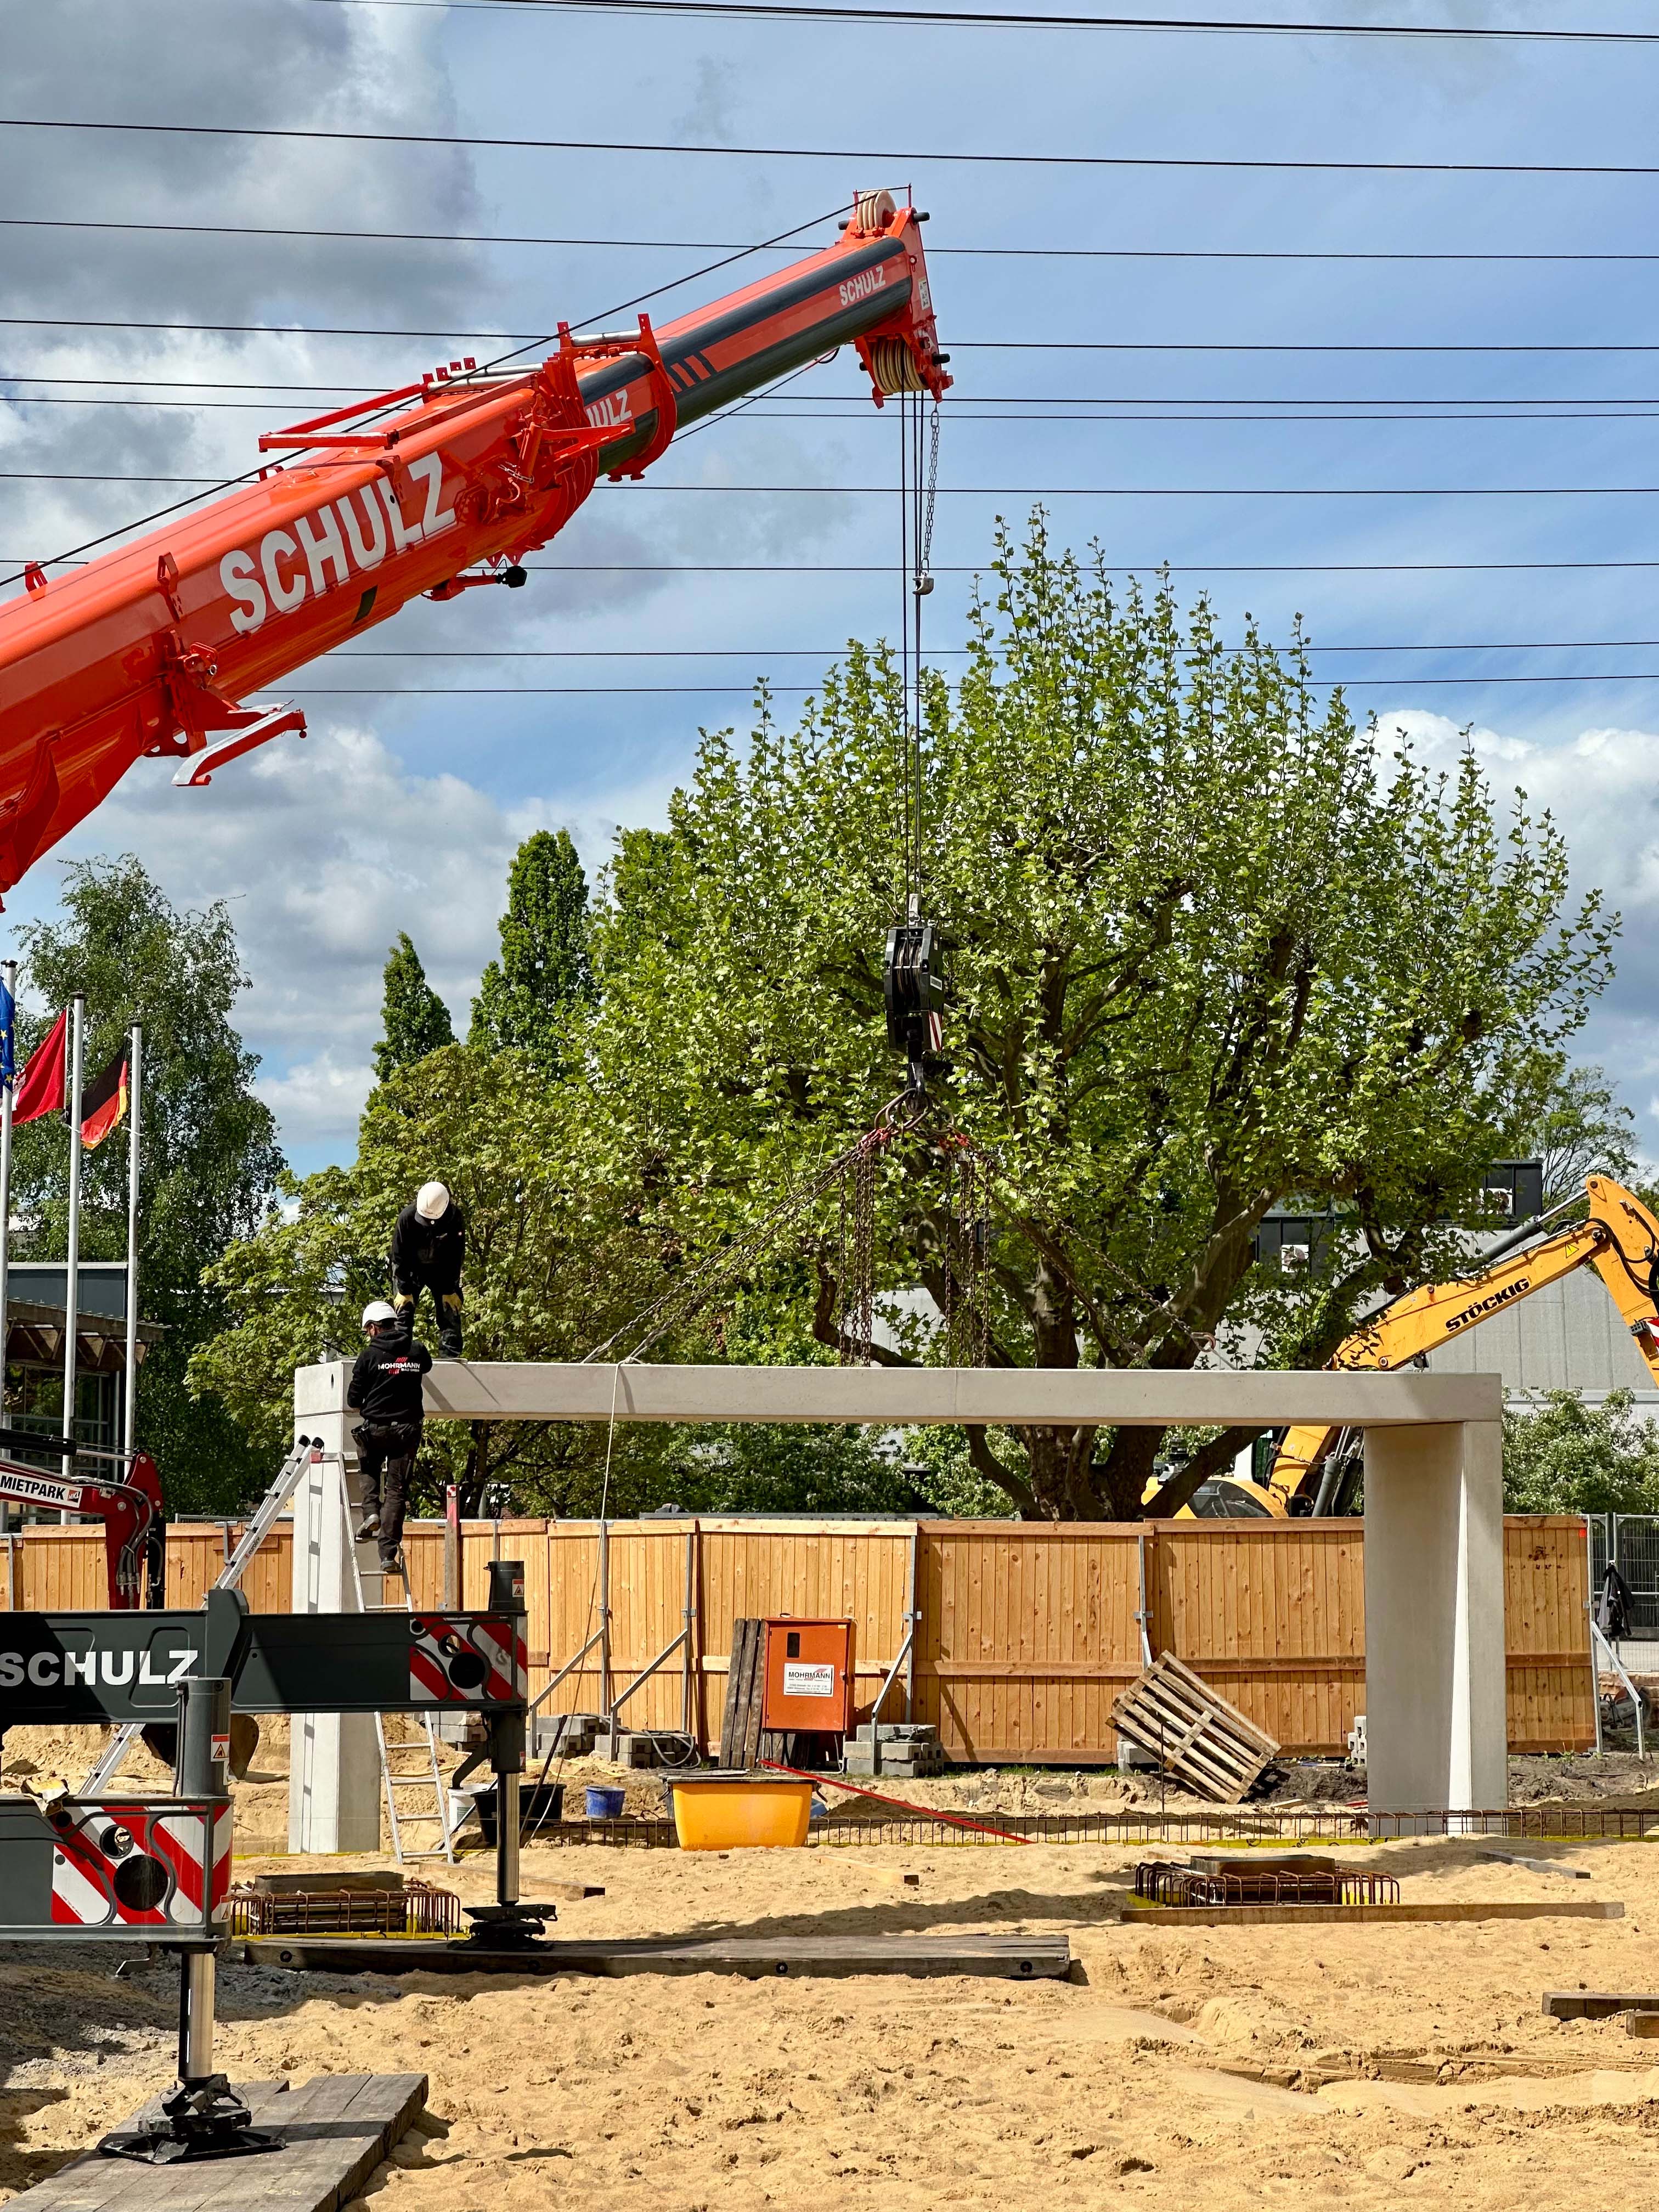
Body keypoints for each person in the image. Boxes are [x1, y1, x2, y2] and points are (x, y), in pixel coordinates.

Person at [348, 1299, 432, 1573]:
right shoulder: (417, 1350)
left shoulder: (368, 1356)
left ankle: (371, 1512)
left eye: (368, 1330)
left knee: (369, 1469)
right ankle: (387, 1555)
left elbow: (353, 1400)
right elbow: (426, 1366)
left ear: (373, 1328)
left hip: (376, 1429)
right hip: (407, 1430)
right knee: (396, 1492)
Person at [390, 1180, 466, 1359]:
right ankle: (399, 1360)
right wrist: (404, 1290)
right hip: (410, 1270)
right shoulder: (407, 1217)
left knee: (451, 1309)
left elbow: (457, 1257)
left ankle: (451, 1359)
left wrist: (450, 1290)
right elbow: (398, 1256)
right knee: (403, 1312)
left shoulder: (455, 1218)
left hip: (442, 1271)